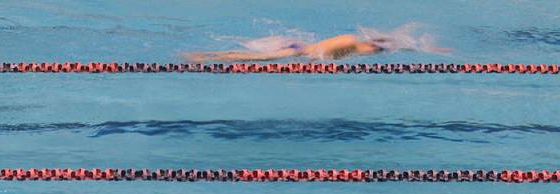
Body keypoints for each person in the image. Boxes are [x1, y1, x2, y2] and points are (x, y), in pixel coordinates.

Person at [185, 25, 450, 63]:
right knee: (251, 58)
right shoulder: (357, 45)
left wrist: (431, 50)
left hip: (300, 46)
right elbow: (321, 54)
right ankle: (204, 57)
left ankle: (207, 54)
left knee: (249, 55)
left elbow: (402, 45)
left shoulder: (362, 43)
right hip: (297, 51)